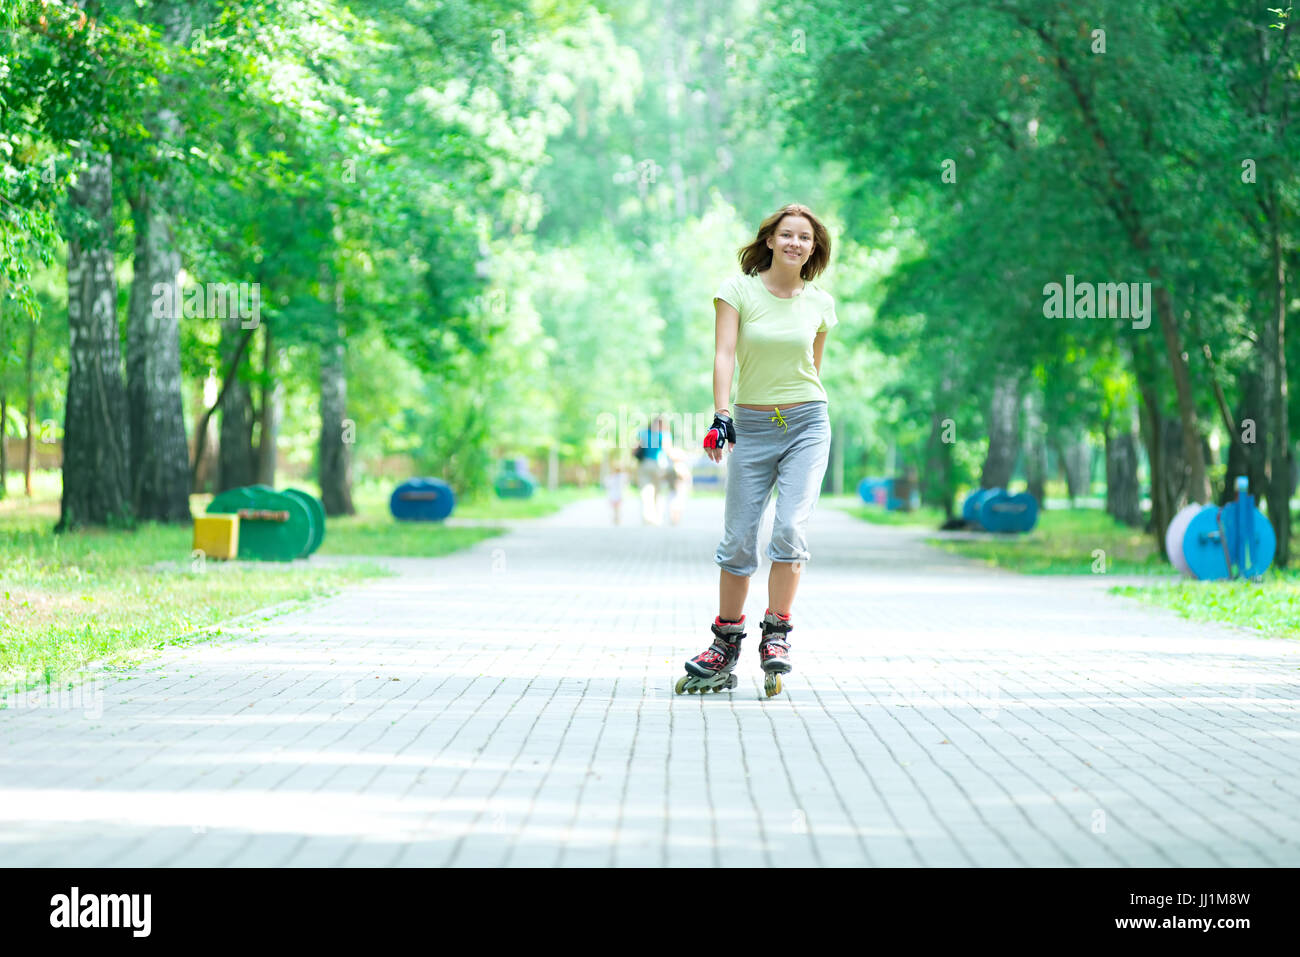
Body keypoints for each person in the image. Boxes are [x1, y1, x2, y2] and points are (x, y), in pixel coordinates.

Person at [676, 203, 837, 698]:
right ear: (769, 240)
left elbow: (812, 368)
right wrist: (722, 413)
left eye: (804, 238)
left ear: (814, 248)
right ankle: (724, 646)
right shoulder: (737, 291)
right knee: (739, 539)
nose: (794, 243)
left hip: (807, 422)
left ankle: (777, 633)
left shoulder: (821, 303)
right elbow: (724, 354)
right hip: (751, 422)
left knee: (790, 528)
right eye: (786, 234)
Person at [633, 416, 672, 525]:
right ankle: (658, 517)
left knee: (645, 492)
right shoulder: (664, 434)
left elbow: (635, 448)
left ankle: (647, 517)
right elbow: (667, 450)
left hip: (645, 464)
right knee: (658, 491)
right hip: (660, 465)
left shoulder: (643, 433)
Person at [604, 460, 629, 525]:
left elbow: (607, 485)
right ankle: (617, 519)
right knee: (617, 509)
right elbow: (626, 482)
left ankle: (616, 519)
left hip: (613, 495)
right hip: (618, 495)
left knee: (615, 509)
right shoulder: (622, 476)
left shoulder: (612, 477)